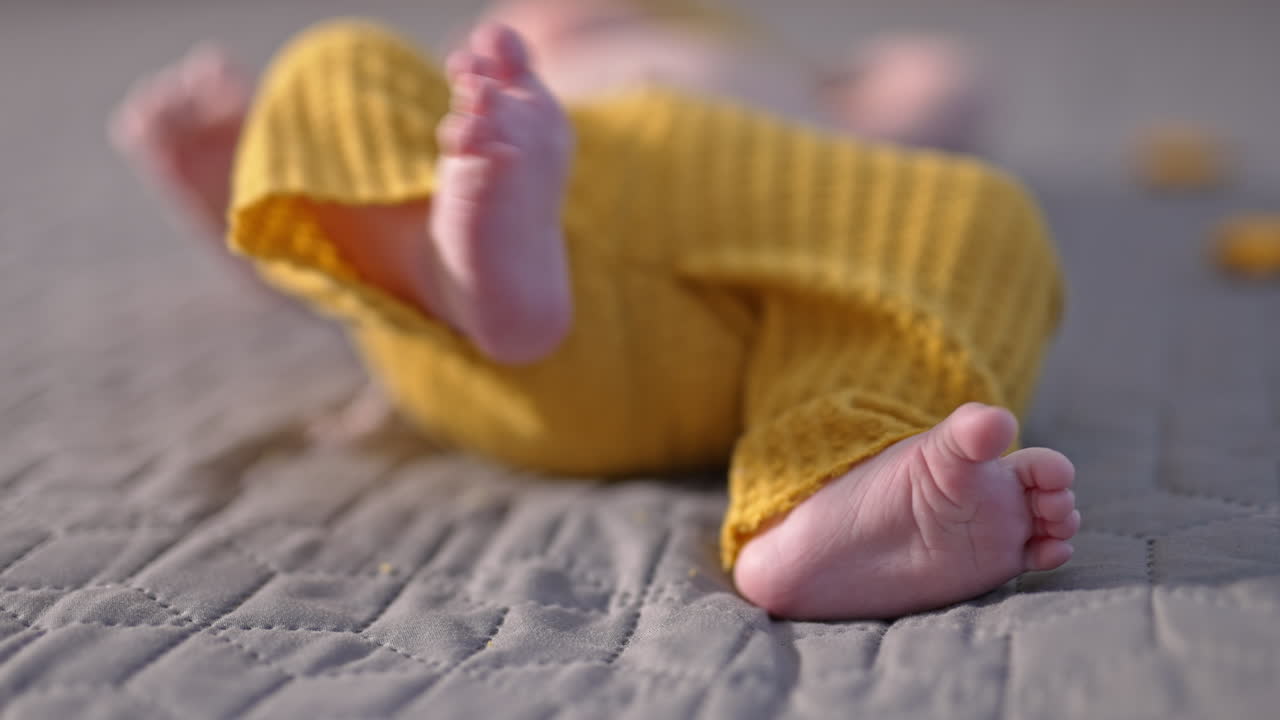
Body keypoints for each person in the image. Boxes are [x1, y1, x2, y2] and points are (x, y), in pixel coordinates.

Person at [110, 2, 1079, 620]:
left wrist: (875, 80)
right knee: (335, 59)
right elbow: (330, 267)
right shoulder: (481, 82)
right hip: (498, 304)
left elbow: (939, 90)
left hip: (740, 280)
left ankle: (834, 482)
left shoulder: (766, 59)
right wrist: (225, 183)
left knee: (974, 211)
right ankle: (452, 264)